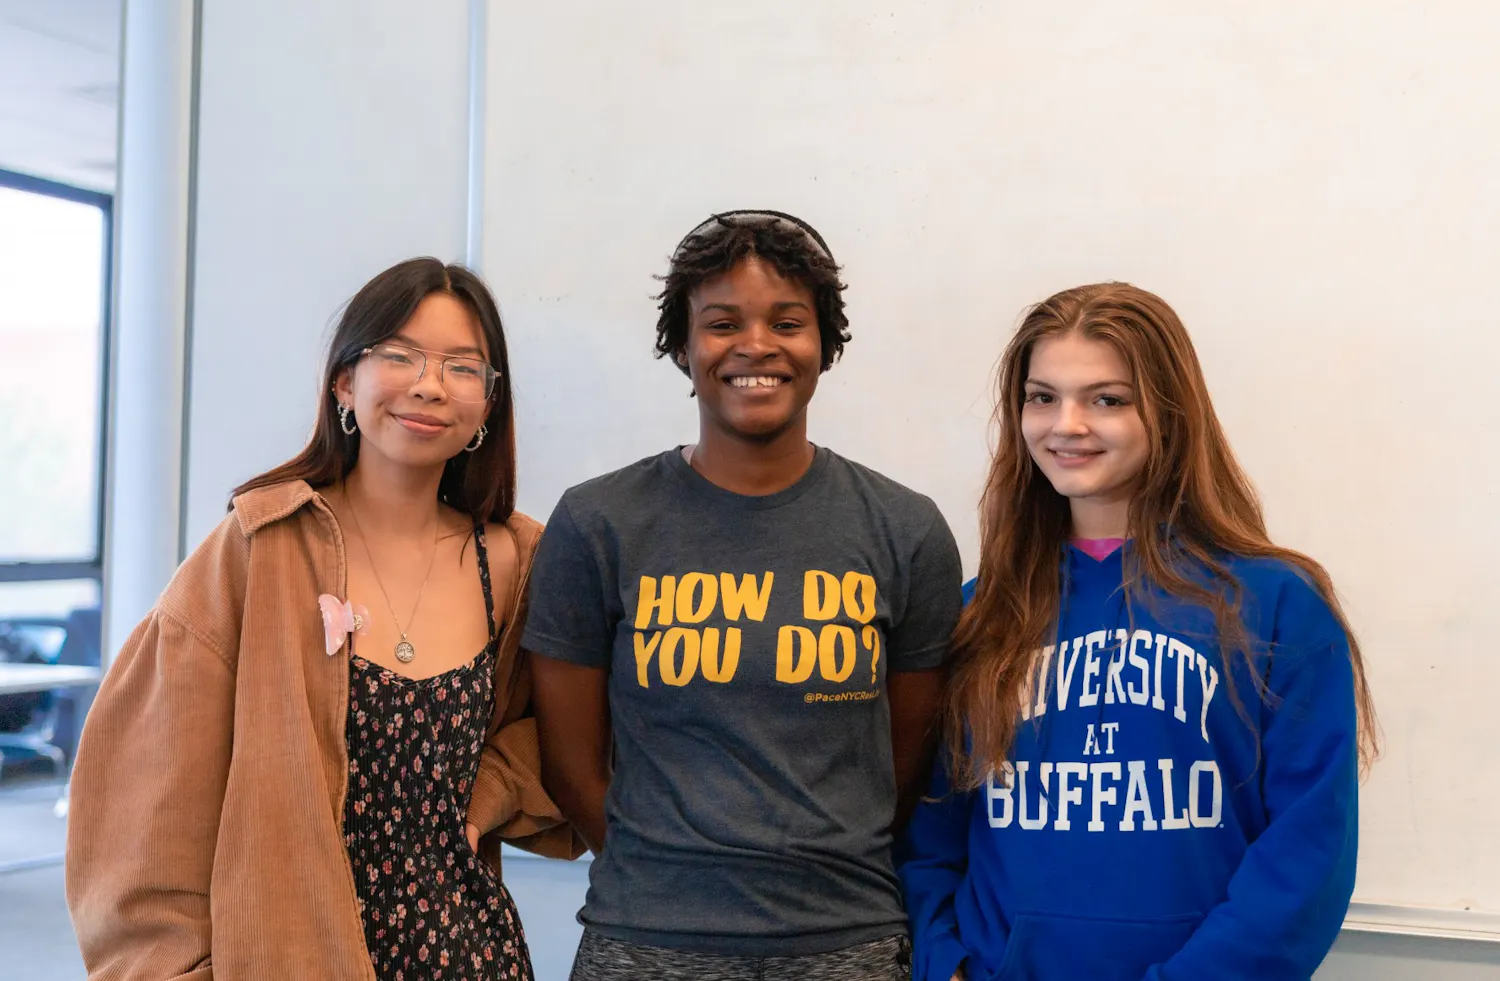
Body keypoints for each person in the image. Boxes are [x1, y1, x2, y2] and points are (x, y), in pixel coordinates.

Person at [67, 257, 580, 981]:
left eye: (464, 367)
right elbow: (144, 799)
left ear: (488, 404)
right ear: (345, 380)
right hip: (290, 947)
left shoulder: (517, 560)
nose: (430, 384)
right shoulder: (261, 547)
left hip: (471, 950)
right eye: (399, 355)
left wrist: (491, 788)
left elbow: (572, 732)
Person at [523, 210, 964, 980]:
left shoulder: (906, 528)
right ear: (683, 346)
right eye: (722, 322)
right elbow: (569, 763)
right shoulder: (599, 522)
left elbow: (905, 766)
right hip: (646, 938)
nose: (755, 345)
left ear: (824, 343)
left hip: (846, 939)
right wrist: (668, 880)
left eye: (787, 322)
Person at [900, 281, 1379, 981]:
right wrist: (947, 965)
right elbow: (929, 832)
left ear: (1170, 411)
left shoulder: (1277, 603)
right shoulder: (983, 611)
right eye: (1042, 396)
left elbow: (1308, 850)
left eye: (1107, 398)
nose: (1067, 423)